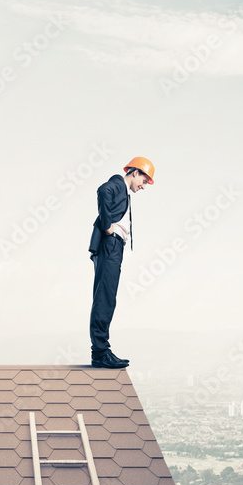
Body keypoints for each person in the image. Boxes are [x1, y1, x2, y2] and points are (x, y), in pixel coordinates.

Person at [88, 157, 154, 368]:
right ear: (135, 172)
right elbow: (102, 190)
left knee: (107, 297)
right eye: (144, 181)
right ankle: (100, 353)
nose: (144, 187)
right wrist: (107, 225)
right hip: (110, 244)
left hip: (114, 247)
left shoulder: (124, 191)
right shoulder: (117, 184)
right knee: (105, 298)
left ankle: (102, 350)